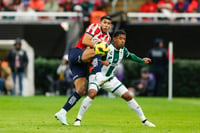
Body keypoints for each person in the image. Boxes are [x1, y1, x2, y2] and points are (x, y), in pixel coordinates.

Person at [73, 30, 156, 127]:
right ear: (115, 39)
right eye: (120, 38)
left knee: (128, 96)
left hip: (110, 78)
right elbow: (95, 58)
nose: (122, 41)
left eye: (124, 39)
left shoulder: (123, 50)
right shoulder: (106, 48)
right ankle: (78, 119)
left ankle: (144, 121)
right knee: (92, 93)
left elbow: (131, 56)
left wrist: (142, 60)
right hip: (96, 75)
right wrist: (101, 62)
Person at [55, 15, 112, 125]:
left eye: (109, 23)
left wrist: (104, 61)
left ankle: (62, 112)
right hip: (77, 53)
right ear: (100, 23)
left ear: (110, 26)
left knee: (81, 91)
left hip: (83, 63)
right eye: (104, 22)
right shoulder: (94, 27)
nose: (106, 25)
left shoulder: (108, 38)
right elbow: (85, 40)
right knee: (98, 49)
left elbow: (101, 55)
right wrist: (99, 45)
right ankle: (99, 75)